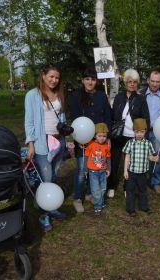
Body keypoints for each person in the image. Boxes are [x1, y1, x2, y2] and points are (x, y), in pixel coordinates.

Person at [24, 64, 72, 232]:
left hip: (59, 142)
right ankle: (43, 214)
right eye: (51, 76)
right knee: (46, 179)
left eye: (57, 77)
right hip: (42, 144)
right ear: (43, 75)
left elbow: (62, 118)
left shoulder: (59, 94)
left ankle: (50, 206)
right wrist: (30, 144)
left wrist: (68, 139)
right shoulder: (32, 95)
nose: (54, 80)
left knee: (53, 177)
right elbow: (29, 122)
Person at [68, 68, 112, 213]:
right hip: (82, 140)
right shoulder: (75, 96)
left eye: (93, 79)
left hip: (99, 141)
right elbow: (74, 119)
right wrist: (77, 137)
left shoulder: (101, 96)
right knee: (82, 170)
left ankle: (89, 194)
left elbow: (107, 117)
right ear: (83, 80)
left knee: (95, 167)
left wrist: (107, 137)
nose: (90, 82)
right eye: (87, 79)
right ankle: (78, 198)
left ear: (96, 81)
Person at [108, 69, 150, 198]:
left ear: (137, 84)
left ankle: (128, 187)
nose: (132, 84)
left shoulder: (141, 99)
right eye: (129, 82)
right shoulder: (119, 98)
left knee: (130, 164)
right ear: (125, 82)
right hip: (118, 136)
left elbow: (145, 119)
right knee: (114, 162)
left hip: (132, 137)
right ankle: (111, 186)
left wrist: (144, 138)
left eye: (134, 82)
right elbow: (113, 116)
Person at [123, 118, 159, 216]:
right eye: (137, 132)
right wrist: (125, 171)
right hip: (132, 172)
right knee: (130, 191)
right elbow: (127, 157)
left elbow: (150, 156)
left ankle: (144, 207)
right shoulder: (130, 143)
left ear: (145, 132)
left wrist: (154, 158)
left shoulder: (148, 143)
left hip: (143, 173)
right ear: (133, 131)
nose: (139, 134)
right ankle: (130, 209)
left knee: (142, 190)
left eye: (142, 132)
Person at [142, 70, 160, 194]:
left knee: (157, 157)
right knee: (141, 156)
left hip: (158, 132)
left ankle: (156, 182)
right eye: (153, 81)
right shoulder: (141, 95)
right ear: (148, 81)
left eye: (157, 81)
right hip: (143, 131)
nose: (155, 84)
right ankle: (141, 181)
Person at [84, 123, 111, 215]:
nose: (102, 138)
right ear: (95, 136)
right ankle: (97, 206)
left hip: (103, 171)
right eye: (99, 136)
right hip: (93, 171)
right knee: (95, 189)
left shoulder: (106, 145)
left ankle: (101, 202)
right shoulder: (91, 144)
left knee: (103, 188)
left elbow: (108, 158)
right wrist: (85, 169)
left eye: (104, 136)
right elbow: (86, 157)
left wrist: (108, 169)